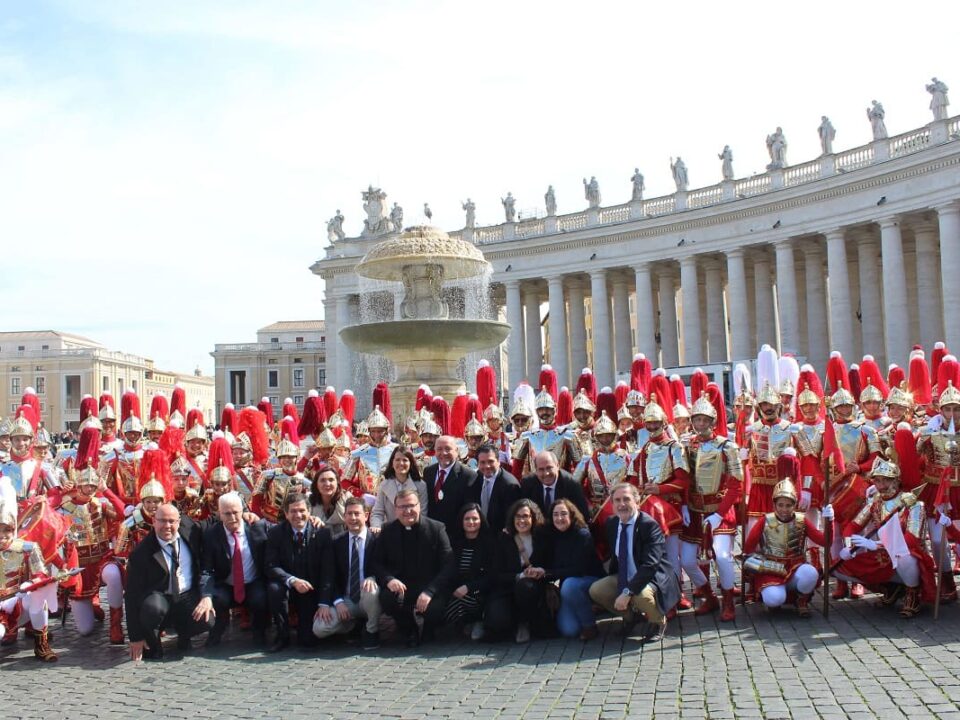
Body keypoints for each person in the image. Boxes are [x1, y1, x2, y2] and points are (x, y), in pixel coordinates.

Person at [833, 456, 935, 618]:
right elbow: (854, 525)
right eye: (877, 481)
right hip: (882, 555)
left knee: (903, 557)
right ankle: (890, 587)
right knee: (839, 566)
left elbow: (911, 540)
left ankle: (912, 593)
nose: (880, 486)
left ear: (895, 481)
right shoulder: (875, 502)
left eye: (885, 481)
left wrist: (877, 545)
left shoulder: (914, 504)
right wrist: (848, 546)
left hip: (908, 554)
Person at [680, 393, 743, 622]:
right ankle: (708, 595)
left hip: (720, 511)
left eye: (705, 420)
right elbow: (684, 477)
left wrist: (720, 513)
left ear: (713, 421)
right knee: (687, 560)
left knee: (724, 557)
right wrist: (684, 506)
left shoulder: (727, 446)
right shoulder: (686, 445)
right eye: (697, 420)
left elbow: (736, 484)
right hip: (695, 512)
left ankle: (728, 600)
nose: (700, 424)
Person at [589, 484, 679, 642]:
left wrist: (627, 592)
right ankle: (631, 617)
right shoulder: (611, 523)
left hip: (652, 577)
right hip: (625, 574)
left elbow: (650, 565)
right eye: (617, 500)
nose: (621, 504)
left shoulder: (648, 525)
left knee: (640, 595)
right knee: (597, 590)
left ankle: (658, 621)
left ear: (637, 502)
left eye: (626, 499)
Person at [125, 503, 214, 661]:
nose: (167, 526)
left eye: (172, 521)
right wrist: (135, 637)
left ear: (179, 521)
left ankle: (184, 634)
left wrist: (246, 515)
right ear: (154, 521)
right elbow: (131, 596)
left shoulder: (189, 528)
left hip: (186, 595)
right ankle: (154, 643)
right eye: (162, 521)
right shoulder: (141, 553)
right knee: (153, 608)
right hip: (159, 598)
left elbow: (211, 523)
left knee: (208, 618)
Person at [370, 488, 455, 647]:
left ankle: (429, 629)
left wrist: (430, 591)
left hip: (429, 585)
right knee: (387, 598)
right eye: (402, 507)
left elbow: (449, 564)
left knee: (435, 608)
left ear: (419, 506)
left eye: (411, 505)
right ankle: (408, 629)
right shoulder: (387, 530)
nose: (407, 511)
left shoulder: (436, 528)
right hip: (401, 585)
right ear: (395, 509)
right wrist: (389, 579)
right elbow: (376, 562)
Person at [742, 479, 828, 618]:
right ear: (774, 504)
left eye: (788, 505)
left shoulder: (802, 520)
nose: (784, 509)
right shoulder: (765, 521)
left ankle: (802, 600)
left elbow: (824, 541)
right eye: (780, 505)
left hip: (796, 566)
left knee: (811, 573)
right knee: (774, 599)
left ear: (794, 505)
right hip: (772, 569)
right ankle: (776, 600)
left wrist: (829, 520)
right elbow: (748, 548)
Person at [264, 492, 334, 652]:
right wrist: (292, 580)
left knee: (308, 641)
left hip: (311, 588)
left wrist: (324, 602)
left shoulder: (322, 533)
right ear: (286, 514)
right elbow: (270, 565)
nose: (298, 515)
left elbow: (328, 570)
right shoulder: (276, 533)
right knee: (274, 589)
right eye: (293, 511)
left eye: (302, 510)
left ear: (309, 512)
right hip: (288, 585)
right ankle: (282, 635)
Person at [197, 492, 270, 646]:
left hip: (253, 581)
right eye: (227, 513)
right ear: (219, 514)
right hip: (226, 583)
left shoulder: (258, 527)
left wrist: (311, 519)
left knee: (261, 598)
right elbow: (207, 569)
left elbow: (285, 528)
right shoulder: (211, 535)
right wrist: (206, 594)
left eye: (235, 512)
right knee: (218, 599)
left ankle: (260, 633)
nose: (232, 517)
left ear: (242, 511)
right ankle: (217, 631)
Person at [313, 496, 381, 649]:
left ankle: (372, 631)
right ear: (344, 517)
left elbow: (383, 567)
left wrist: (373, 577)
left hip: (368, 598)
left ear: (366, 515)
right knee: (319, 628)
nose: (353, 518)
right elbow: (330, 575)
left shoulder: (377, 540)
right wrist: (338, 602)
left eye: (357, 514)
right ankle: (351, 626)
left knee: (372, 591)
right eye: (349, 514)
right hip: (347, 599)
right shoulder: (336, 542)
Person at [485, 498, 553, 643]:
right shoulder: (505, 538)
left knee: (526, 587)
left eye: (526, 516)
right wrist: (519, 575)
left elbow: (550, 563)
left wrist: (540, 571)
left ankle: (525, 623)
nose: (521, 520)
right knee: (497, 622)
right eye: (518, 516)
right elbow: (496, 573)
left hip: (533, 588)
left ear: (533, 518)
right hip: (508, 587)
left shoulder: (542, 537)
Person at [547, 499, 604, 640]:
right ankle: (586, 609)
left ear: (571, 515)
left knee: (569, 585)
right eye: (555, 514)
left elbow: (578, 569)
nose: (559, 518)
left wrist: (548, 573)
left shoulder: (582, 534)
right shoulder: (552, 535)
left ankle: (589, 626)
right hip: (568, 585)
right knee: (569, 630)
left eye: (563, 514)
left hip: (590, 579)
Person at [445, 503, 497, 641]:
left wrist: (468, 587)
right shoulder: (454, 542)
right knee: (448, 602)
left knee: (461, 600)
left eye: (475, 519)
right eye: (467, 519)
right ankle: (464, 622)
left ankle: (478, 620)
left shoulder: (489, 544)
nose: (471, 522)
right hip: (457, 588)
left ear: (481, 520)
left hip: (479, 591)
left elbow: (492, 576)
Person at [423, 435, 477, 537]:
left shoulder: (468, 476)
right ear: (435, 451)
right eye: (439, 449)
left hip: (455, 536)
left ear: (456, 451)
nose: (443, 453)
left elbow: (468, 509)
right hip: (431, 534)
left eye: (448, 449)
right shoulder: (428, 472)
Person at [372, 446, 428, 531]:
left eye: (405, 460)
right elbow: (377, 512)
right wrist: (376, 527)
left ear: (411, 463)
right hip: (390, 533)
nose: (401, 463)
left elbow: (423, 513)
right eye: (397, 460)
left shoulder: (421, 485)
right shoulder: (384, 485)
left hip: (414, 532)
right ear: (392, 463)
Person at [520, 450, 589, 520]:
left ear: (557, 466)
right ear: (536, 470)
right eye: (541, 469)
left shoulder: (572, 485)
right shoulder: (527, 484)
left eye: (549, 468)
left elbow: (582, 516)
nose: (546, 473)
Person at [471, 443, 521, 533]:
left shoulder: (510, 485)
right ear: (477, 464)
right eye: (482, 462)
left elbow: (510, 520)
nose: (487, 466)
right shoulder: (476, 477)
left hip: (499, 537)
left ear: (498, 461)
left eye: (490, 461)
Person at [308, 465, 348, 536]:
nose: (327, 484)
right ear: (316, 484)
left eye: (331, 480)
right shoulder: (309, 500)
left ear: (337, 483)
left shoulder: (347, 498)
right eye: (322, 480)